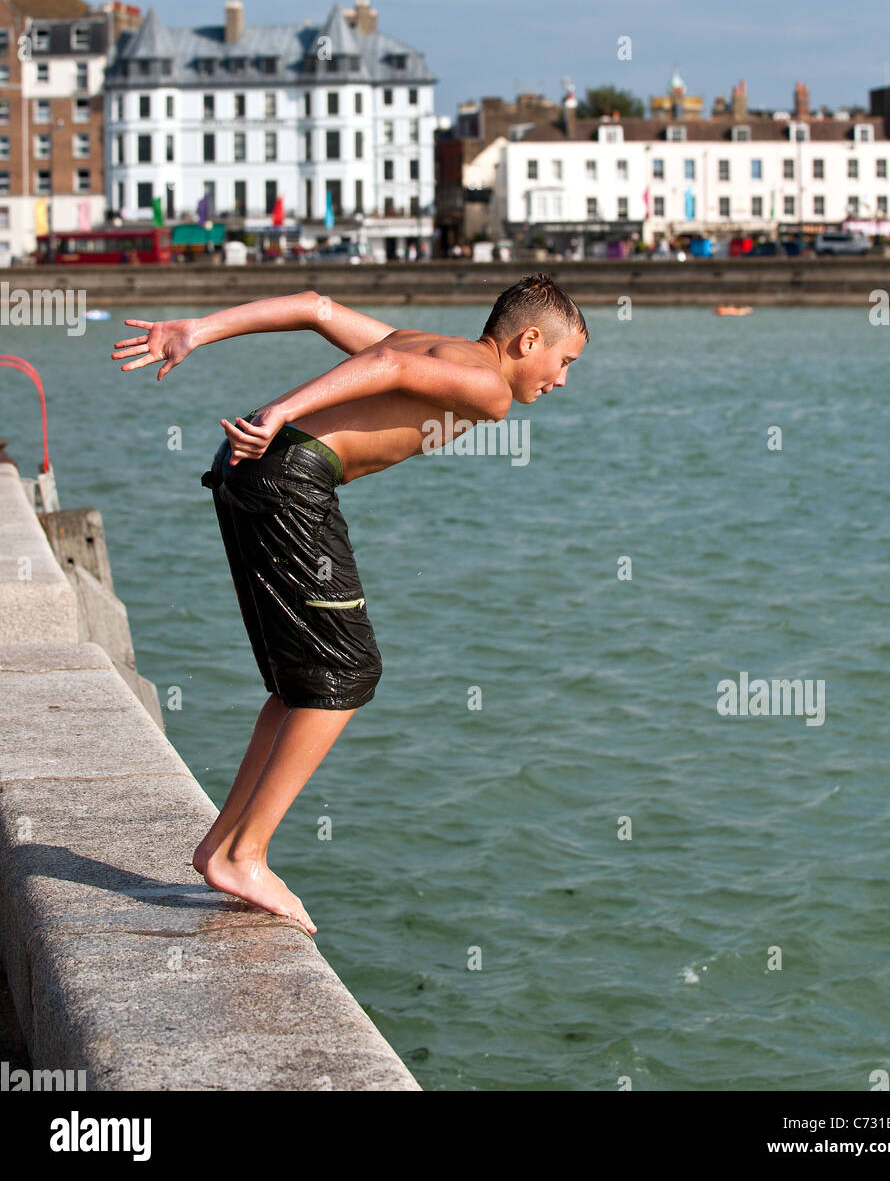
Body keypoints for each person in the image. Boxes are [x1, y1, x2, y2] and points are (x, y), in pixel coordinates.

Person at [110, 274, 589, 934]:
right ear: (528, 339)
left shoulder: (437, 347)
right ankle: (245, 853)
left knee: (301, 683)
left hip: (257, 466)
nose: (561, 380)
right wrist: (279, 413)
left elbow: (315, 309)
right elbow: (384, 364)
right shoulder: (485, 387)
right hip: (287, 474)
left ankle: (222, 845)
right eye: (563, 362)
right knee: (344, 675)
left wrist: (198, 329)